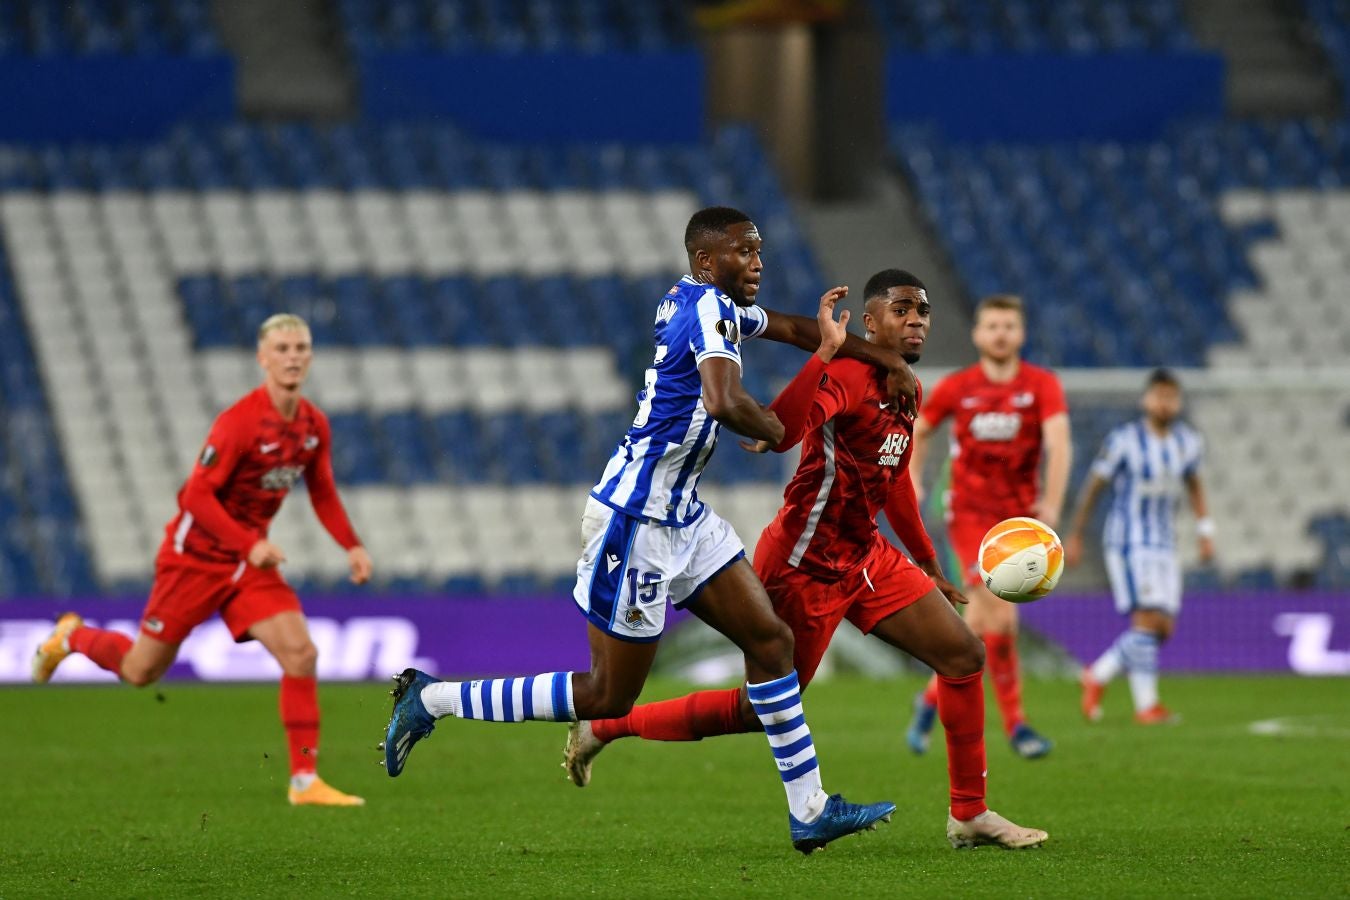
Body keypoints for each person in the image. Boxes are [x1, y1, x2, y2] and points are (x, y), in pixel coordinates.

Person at [381, 207, 917, 855]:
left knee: (771, 643)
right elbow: (723, 401)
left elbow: (798, 328)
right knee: (608, 693)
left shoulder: (709, 304)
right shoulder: (705, 312)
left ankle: (809, 809)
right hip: (634, 520)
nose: (758, 262)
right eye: (744, 252)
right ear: (704, 261)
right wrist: (778, 429)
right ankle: (433, 699)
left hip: (681, 513)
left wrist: (887, 362)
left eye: (759, 251)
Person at [564, 270, 1048, 850]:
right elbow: (787, 430)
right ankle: (608, 724)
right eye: (902, 310)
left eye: (923, 311)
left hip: (865, 556)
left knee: (963, 655)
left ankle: (969, 814)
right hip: (802, 563)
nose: (916, 319)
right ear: (869, 323)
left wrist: (927, 564)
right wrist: (818, 360)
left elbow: (893, 483)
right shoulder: (847, 373)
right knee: (755, 709)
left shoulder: (905, 387)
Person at [32, 313, 373, 807]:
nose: (293, 357)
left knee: (301, 654)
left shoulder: (313, 425)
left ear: (311, 356)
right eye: (282, 349)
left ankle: (304, 781)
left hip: (248, 566)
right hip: (194, 560)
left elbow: (321, 489)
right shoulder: (239, 423)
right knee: (140, 671)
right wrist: (247, 543)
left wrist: (352, 544)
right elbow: (195, 497)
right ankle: (72, 636)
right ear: (263, 358)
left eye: (301, 348)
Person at [904, 295, 1071, 760]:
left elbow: (1059, 445)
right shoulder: (960, 386)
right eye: (992, 325)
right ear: (978, 335)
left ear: (1021, 334)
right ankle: (1018, 726)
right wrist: (913, 480)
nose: (1000, 333)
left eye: (1009, 326)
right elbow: (919, 429)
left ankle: (929, 700)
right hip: (971, 518)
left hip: (1020, 521)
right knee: (1001, 615)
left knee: (979, 627)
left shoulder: (1042, 385)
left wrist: (1053, 505)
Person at [1065, 368, 1214, 724]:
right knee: (1147, 620)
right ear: (1145, 399)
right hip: (1130, 540)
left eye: (1171, 396)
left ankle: (1097, 674)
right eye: (1159, 395)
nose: (1165, 403)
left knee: (1163, 628)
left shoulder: (1187, 442)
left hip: (1165, 541)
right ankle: (1147, 706)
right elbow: (1094, 487)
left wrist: (1206, 530)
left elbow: (1194, 485)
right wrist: (1076, 533)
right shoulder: (1124, 440)